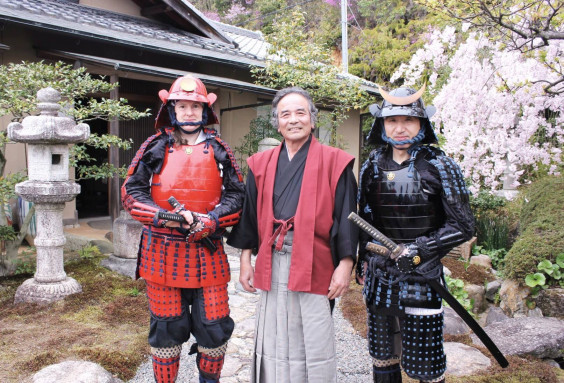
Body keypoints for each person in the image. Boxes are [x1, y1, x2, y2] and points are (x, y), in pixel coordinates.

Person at [227, 87, 359, 382]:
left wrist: (346, 265)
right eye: (285, 114)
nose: (293, 120)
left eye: (301, 112)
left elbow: (348, 216)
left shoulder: (335, 162)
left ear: (313, 119)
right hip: (273, 257)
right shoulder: (259, 164)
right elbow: (249, 216)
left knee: (311, 330)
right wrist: (246, 260)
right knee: (274, 330)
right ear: (276, 123)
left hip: (316, 259)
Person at [121, 74, 245, 383]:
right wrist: (163, 217)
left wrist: (212, 220)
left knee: (214, 327)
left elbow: (237, 194)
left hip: (209, 249)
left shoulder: (219, 149)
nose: (189, 113)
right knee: (166, 330)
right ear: (171, 110)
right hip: (161, 250)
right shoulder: (155, 145)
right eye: (182, 106)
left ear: (205, 111)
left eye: (195, 106)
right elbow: (131, 193)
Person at [357, 86, 475, 383]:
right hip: (380, 274)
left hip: (423, 276)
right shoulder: (371, 165)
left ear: (422, 124)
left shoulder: (440, 165)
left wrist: (421, 249)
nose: (400, 128)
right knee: (383, 358)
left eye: (408, 120)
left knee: (427, 366)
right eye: (392, 120)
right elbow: (365, 218)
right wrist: (363, 262)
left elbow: (463, 226)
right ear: (381, 124)